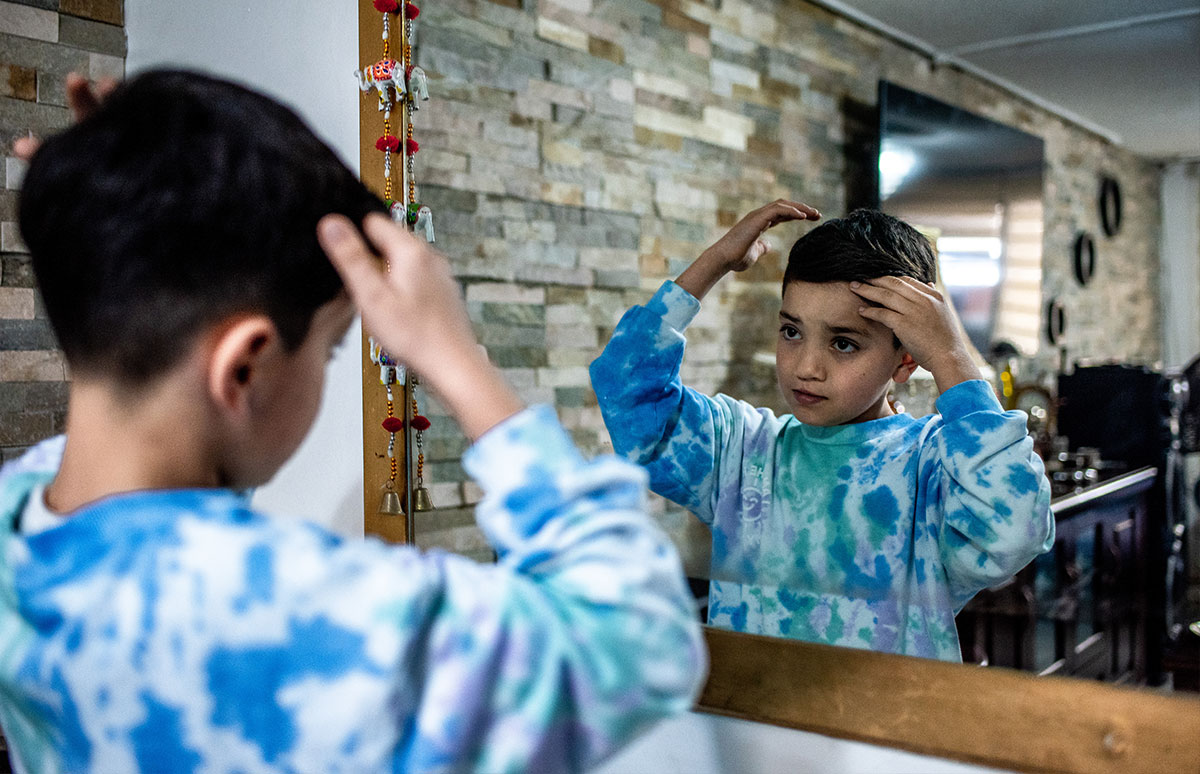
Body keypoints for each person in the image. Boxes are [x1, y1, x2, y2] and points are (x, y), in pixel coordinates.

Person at [0, 70, 706, 773]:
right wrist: (456, 358)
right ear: (245, 367)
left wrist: (99, 220)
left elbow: (130, 453)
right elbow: (639, 642)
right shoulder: (300, 611)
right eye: (334, 349)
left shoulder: (19, 527)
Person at [590, 200, 1053, 662]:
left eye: (844, 343)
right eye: (791, 332)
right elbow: (628, 388)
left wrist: (952, 358)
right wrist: (713, 263)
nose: (806, 367)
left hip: (885, 733)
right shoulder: (742, 452)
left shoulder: (932, 468)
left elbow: (1015, 527)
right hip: (752, 728)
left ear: (907, 357)